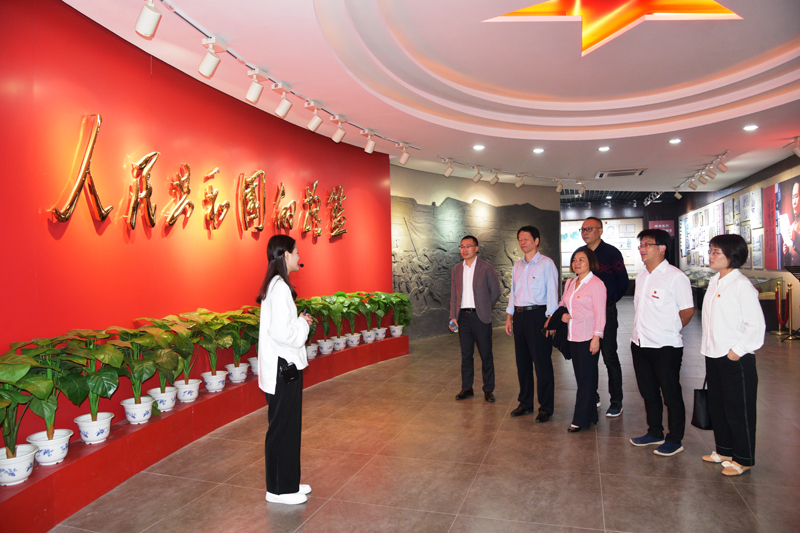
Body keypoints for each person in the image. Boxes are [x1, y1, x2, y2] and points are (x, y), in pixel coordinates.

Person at [256, 235, 314, 505]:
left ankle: (288, 482)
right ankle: (278, 490)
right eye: (297, 251)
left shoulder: (277, 285)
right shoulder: (279, 288)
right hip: (284, 369)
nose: (300, 256)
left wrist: (298, 321)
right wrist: (303, 324)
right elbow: (282, 333)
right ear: (286, 255)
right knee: (282, 428)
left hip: (283, 367)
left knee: (289, 427)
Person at [702, 234, 764, 476]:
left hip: (734, 358)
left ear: (732, 255)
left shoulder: (741, 285)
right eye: (711, 251)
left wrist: (736, 352)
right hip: (713, 354)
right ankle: (725, 451)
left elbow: (756, 324)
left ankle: (743, 458)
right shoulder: (715, 281)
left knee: (739, 410)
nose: (711, 256)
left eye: (716, 252)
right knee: (719, 407)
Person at [630, 229, 694, 457]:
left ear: (662, 247)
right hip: (640, 343)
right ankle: (654, 431)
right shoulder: (642, 276)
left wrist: (670, 330)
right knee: (648, 392)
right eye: (640, 245)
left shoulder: (675, 277)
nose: (642, 249)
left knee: (671, 394)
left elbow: (687, 311)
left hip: (665, 346)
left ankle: (675, 439)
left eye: (647, 244)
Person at [547, 246, 606, 432]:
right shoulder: (571, 282)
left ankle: (580, 419)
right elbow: (564, 303)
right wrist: (562, 315)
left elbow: (601, 314)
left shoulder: (596, 284)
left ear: (590, 262)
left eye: (581, 259)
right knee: (582, 378)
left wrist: (597, 337)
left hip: (588, 337)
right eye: (574, 260)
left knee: (587, 379)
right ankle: (591, 415)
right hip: (573, 336)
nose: (577, 263)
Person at [505, 226, 559, 421]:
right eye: (520, 239)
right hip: (520, 317)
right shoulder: (517, 266)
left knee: (542, 364)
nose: (522, 242)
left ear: (536, 241)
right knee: (523, 363)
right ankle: (525, 403)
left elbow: (552, 292)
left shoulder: (546, 264)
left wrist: (550, 321)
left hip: (538, 316)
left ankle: (546, 407)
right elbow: (513, 292)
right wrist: (509, 315)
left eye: (526, 238)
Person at [580, 217, 628, 417]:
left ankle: (616, 400)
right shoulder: (581, 254)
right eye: (583, 229)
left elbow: (622, 281)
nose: (585, 232)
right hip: (585, 313)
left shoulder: (611, 253)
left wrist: (609, 301)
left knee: (609, 355)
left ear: (600, 231)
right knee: (588, 356)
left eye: (589, 229)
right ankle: (593, 395)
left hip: (606, 311)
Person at [450, 236, 502, 402]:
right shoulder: (457, 269)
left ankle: (488, 389)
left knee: (486, 354)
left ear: (476, 248)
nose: (464, 249)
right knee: (466, 355)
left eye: (468, 246)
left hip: (480, 317)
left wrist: (485, 307)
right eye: (462, 246)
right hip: (463, 318)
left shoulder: (486, 268)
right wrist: (453, 316)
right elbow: (454, 295)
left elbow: (495, 292)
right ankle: (467, 388)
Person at [782, 182, 800, 266]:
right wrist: (786, 253)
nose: (794, 202)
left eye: (796, 197)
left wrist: (796, 238)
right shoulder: (792, 225)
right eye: (793, 198)